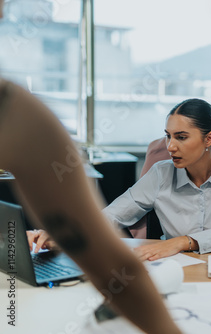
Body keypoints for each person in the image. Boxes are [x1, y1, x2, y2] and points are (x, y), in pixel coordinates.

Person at [0, 45, 181, 334]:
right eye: (169, 137)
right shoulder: (14, 112)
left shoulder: (17, 114)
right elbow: (110, 244)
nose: (171, 146)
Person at [101, 98, 211, 260]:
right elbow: (111, 215)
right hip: (174, 267)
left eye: (181, 137)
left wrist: (183, 242)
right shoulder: (160, 173)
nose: (170, 146)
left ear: (209, 139)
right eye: (168, 136)